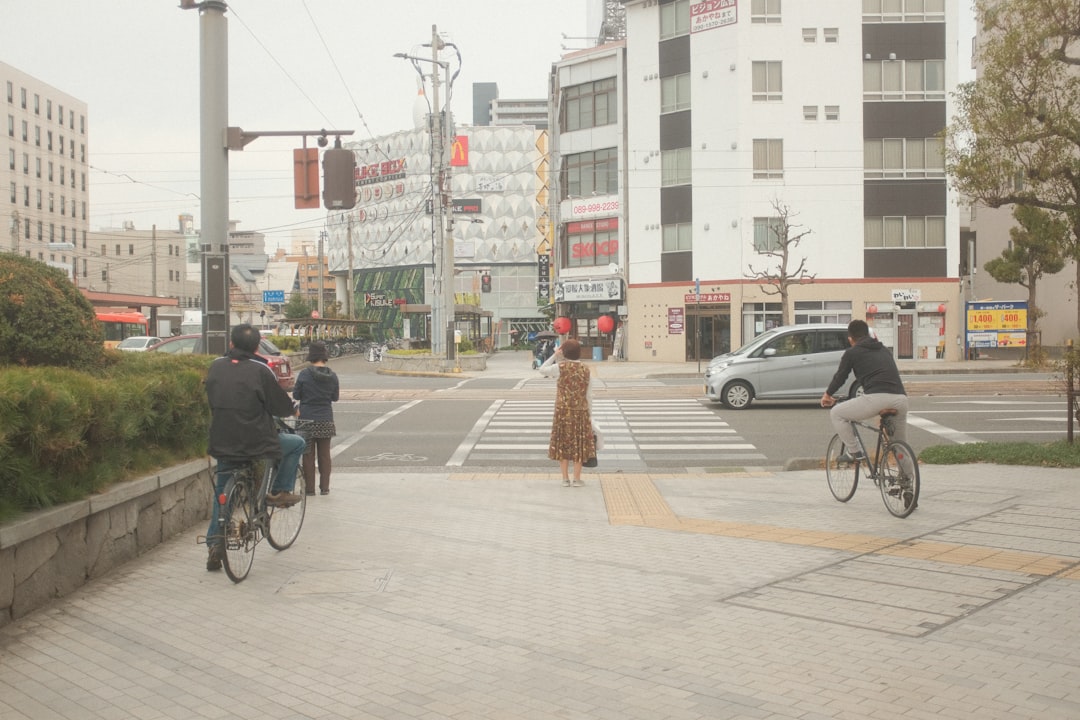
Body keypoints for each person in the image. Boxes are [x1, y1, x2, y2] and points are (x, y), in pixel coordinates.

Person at [204, 324, 305, 571]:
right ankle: (279, 491)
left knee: (221, 493)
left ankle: (215, 543)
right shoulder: (261, 369)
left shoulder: (216, 366)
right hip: (257, 440)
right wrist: (293, 409)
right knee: (295, 443)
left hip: (222, 439)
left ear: (231, 344)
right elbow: (279, 404)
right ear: (257, 346)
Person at [820, 319, 909, 462]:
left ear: (850, 339)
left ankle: (854, 451)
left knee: (837, 413)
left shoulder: (852, 352)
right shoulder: (884, 350)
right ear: (868, 334)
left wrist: (827, 394)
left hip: (876, 398)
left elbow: (840, 377)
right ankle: (908, 481)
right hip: (900, 399)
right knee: (901, 447)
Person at [538, 338, 596, 487]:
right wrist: (590, 415)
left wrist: (554, 355)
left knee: (563, 444)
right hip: (581, 412)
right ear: (578, 352)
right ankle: (577, 479)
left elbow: (542, 369)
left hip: (562, 412)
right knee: (579, 444)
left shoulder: (560, 367)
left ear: (564, 352)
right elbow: (589, 395)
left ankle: (565, 479)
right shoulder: (586, 369)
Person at [293, 341, 340, 496]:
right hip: (325, 417)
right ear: (325, 355)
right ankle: (325, 488)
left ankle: (309, 489)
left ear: (311, 356)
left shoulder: (304, 374)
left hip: (306, 417)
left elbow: (296, 395)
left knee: (308, 454)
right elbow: (335, 397)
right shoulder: (332, 375)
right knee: (325, 455)